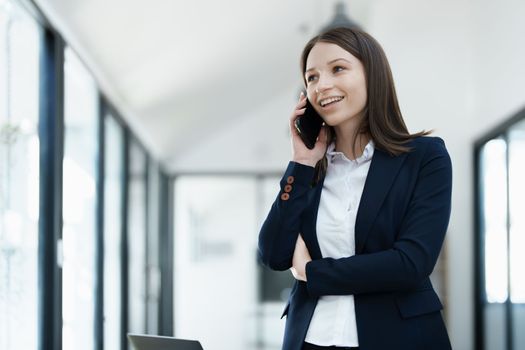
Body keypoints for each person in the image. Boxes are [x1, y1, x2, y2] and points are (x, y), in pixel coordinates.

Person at [258, 27, 452, 350]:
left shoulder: (425, 158)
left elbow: (410, 263)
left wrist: (312, 272)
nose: (323, 86)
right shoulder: (311, 170)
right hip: (310, 340)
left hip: (397, 339)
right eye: (312, 77)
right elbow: (274, 253)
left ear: (372, 75)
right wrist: (301, 163)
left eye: (338, 69)